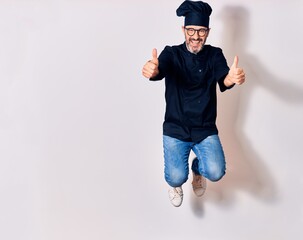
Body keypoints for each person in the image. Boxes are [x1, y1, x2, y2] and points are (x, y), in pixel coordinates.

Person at [142, 0, 245, 207]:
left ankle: (198, 169)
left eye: (201, 31)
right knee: (175, 177)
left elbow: (223, 78)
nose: (195, 36)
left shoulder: (214, 54)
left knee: (216, 172)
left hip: (204, 129)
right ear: (183, 29)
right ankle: (177, 182)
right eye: (191, 30)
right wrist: (152, 70)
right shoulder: (171, 53)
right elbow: (159, 69)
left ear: (207, 31)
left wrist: (231, 79)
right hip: (175, 129)